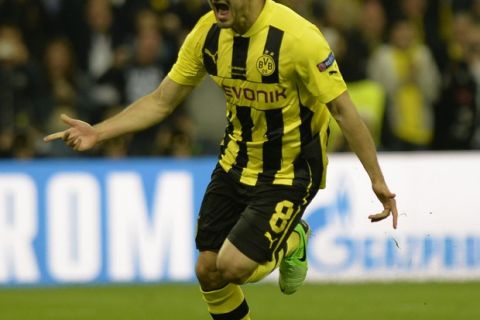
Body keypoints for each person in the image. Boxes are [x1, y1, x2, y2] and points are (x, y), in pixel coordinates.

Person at [44, 1, 398, 319]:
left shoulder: (299, 38)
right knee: (208, 270)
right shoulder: (206, 33)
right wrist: (98, 132)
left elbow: (343, 110)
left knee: (233, 266)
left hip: (290, 169)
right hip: (235, 160)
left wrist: (377, 179)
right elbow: (162, 101)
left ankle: (293, 237)